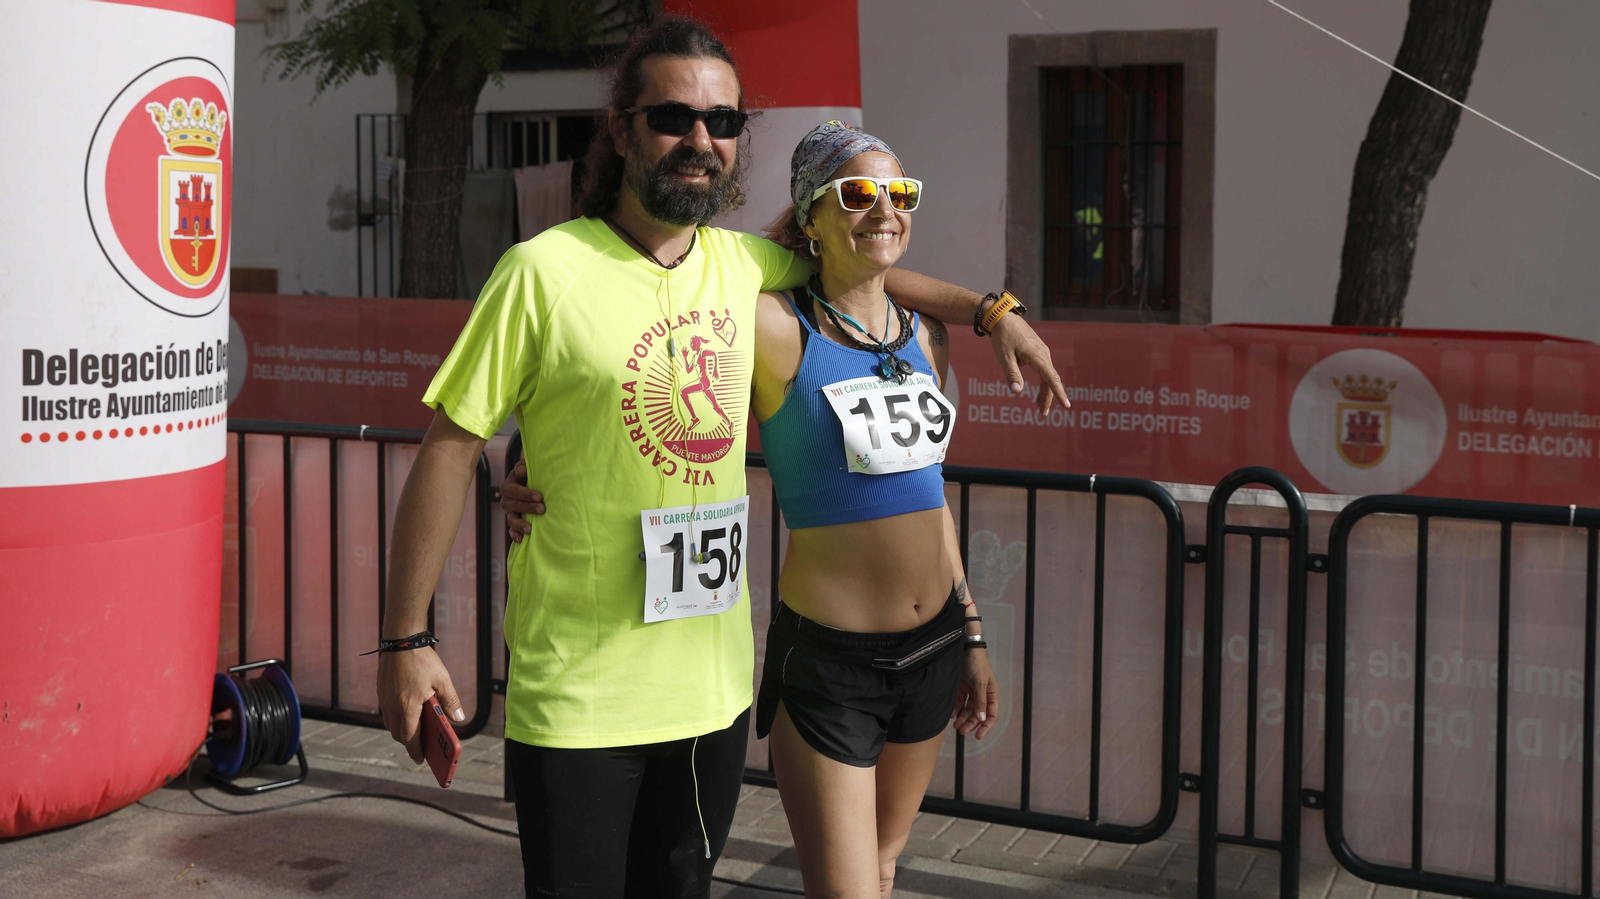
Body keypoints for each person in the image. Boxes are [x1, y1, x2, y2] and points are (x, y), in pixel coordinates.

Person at [377, 17, 1066, 899]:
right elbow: (449, 444)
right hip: (581, 695)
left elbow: (867, 263)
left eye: (725, 122)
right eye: (673, 116)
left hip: (710, 697)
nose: (700, 139)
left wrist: (991, 312)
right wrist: (406, 637)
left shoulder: (748, 268)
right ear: (622, 128)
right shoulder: (541, 270)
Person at [507, 122, 1006, 898]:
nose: (884, 210)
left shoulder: (927, 339)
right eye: (859, 194)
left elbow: (928, 496)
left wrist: (970, 629)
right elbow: (633, 367)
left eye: (899, 194)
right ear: (811, 213)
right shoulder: (772, 325)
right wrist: (523, 460)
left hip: (933, 647)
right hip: (832, 664)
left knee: (881, 869)